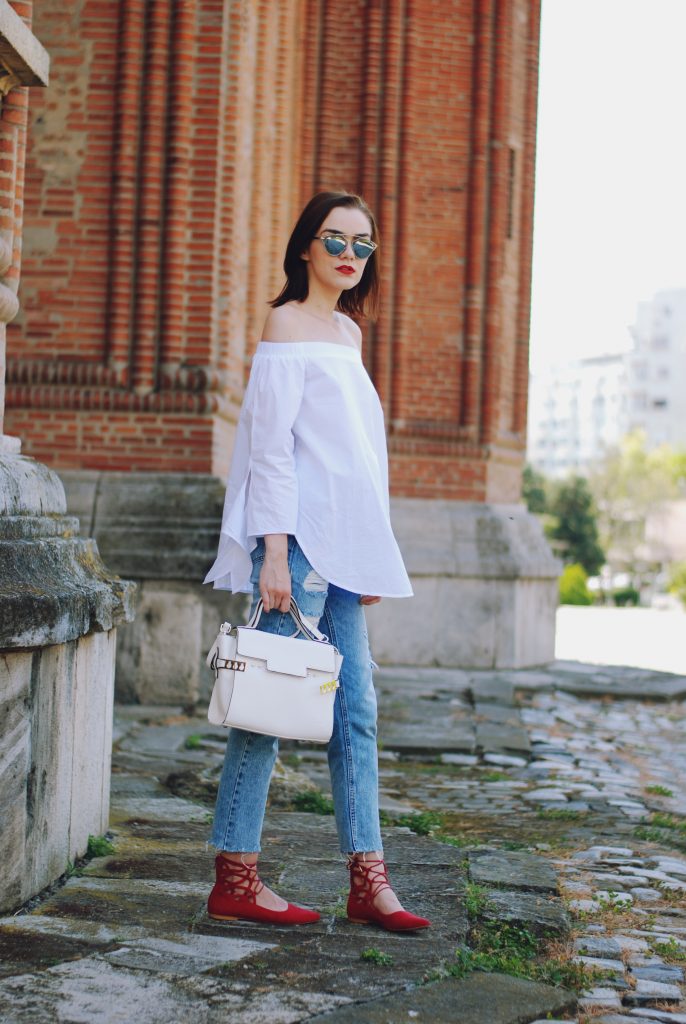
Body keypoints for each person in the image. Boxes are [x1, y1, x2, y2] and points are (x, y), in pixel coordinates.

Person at [203, 191, 430, 932]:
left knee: (356, 714)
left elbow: (357, 461)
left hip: (344, 549)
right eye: (335, 239)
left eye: (362, 244)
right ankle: (236, 876)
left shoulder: (346, 332)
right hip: (296, 548)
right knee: (268, 706)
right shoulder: (286, 324)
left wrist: (366, 556)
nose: (349, 254)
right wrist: (272, 551)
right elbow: (270, 448)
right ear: (306, 246)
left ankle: (369, 881)